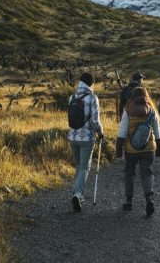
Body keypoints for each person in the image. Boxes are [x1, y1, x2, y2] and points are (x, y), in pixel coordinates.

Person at [116, 86, 160, 215]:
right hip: (149, 149)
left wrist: (118, 150)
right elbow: (157, 132)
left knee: (129, 173)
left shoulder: (128, 111)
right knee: (147, 173)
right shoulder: (152, 111)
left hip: (131, 150)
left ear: (132, 97)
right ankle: (149, 200)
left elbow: (122, 132)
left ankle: (129, 202)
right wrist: (159, 148)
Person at [67, 72, 103, 213]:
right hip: (87, 138)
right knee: (84, 167)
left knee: (78, 166)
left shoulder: (72, 97)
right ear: (91, 83)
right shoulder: (92, 98)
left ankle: (77, 192)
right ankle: (77, 194)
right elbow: (95, 120)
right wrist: (100, 133)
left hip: (72, 137)